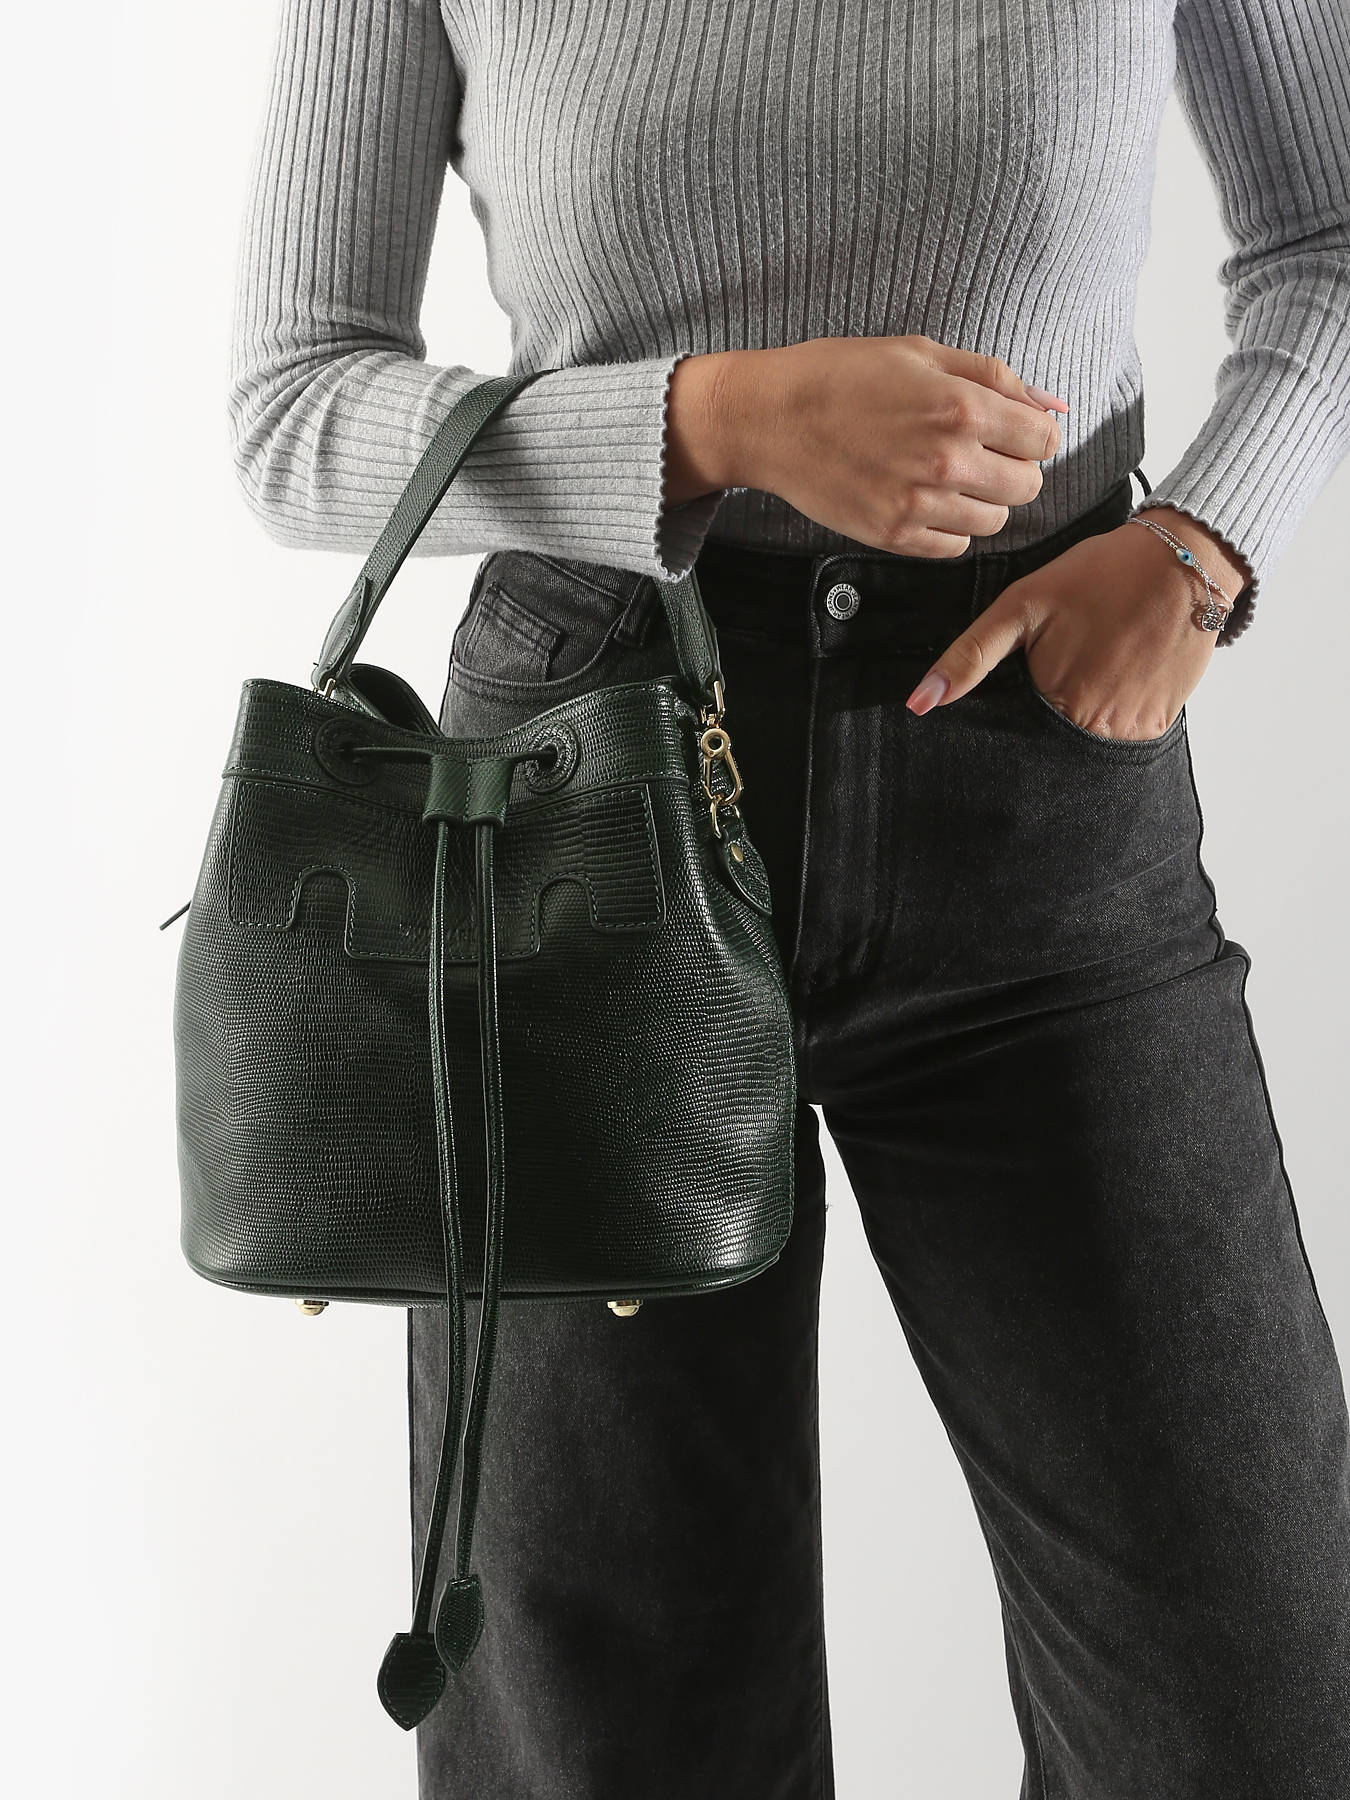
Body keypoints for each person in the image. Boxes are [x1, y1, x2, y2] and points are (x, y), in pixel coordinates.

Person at [228, 2, 1350, 1794]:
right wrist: (712, 421)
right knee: (606, 1740)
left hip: (1036, 783)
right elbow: (295, 408)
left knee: (1260, 1708)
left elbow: (1329, 228)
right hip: (577, 814)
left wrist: (1201, 544)